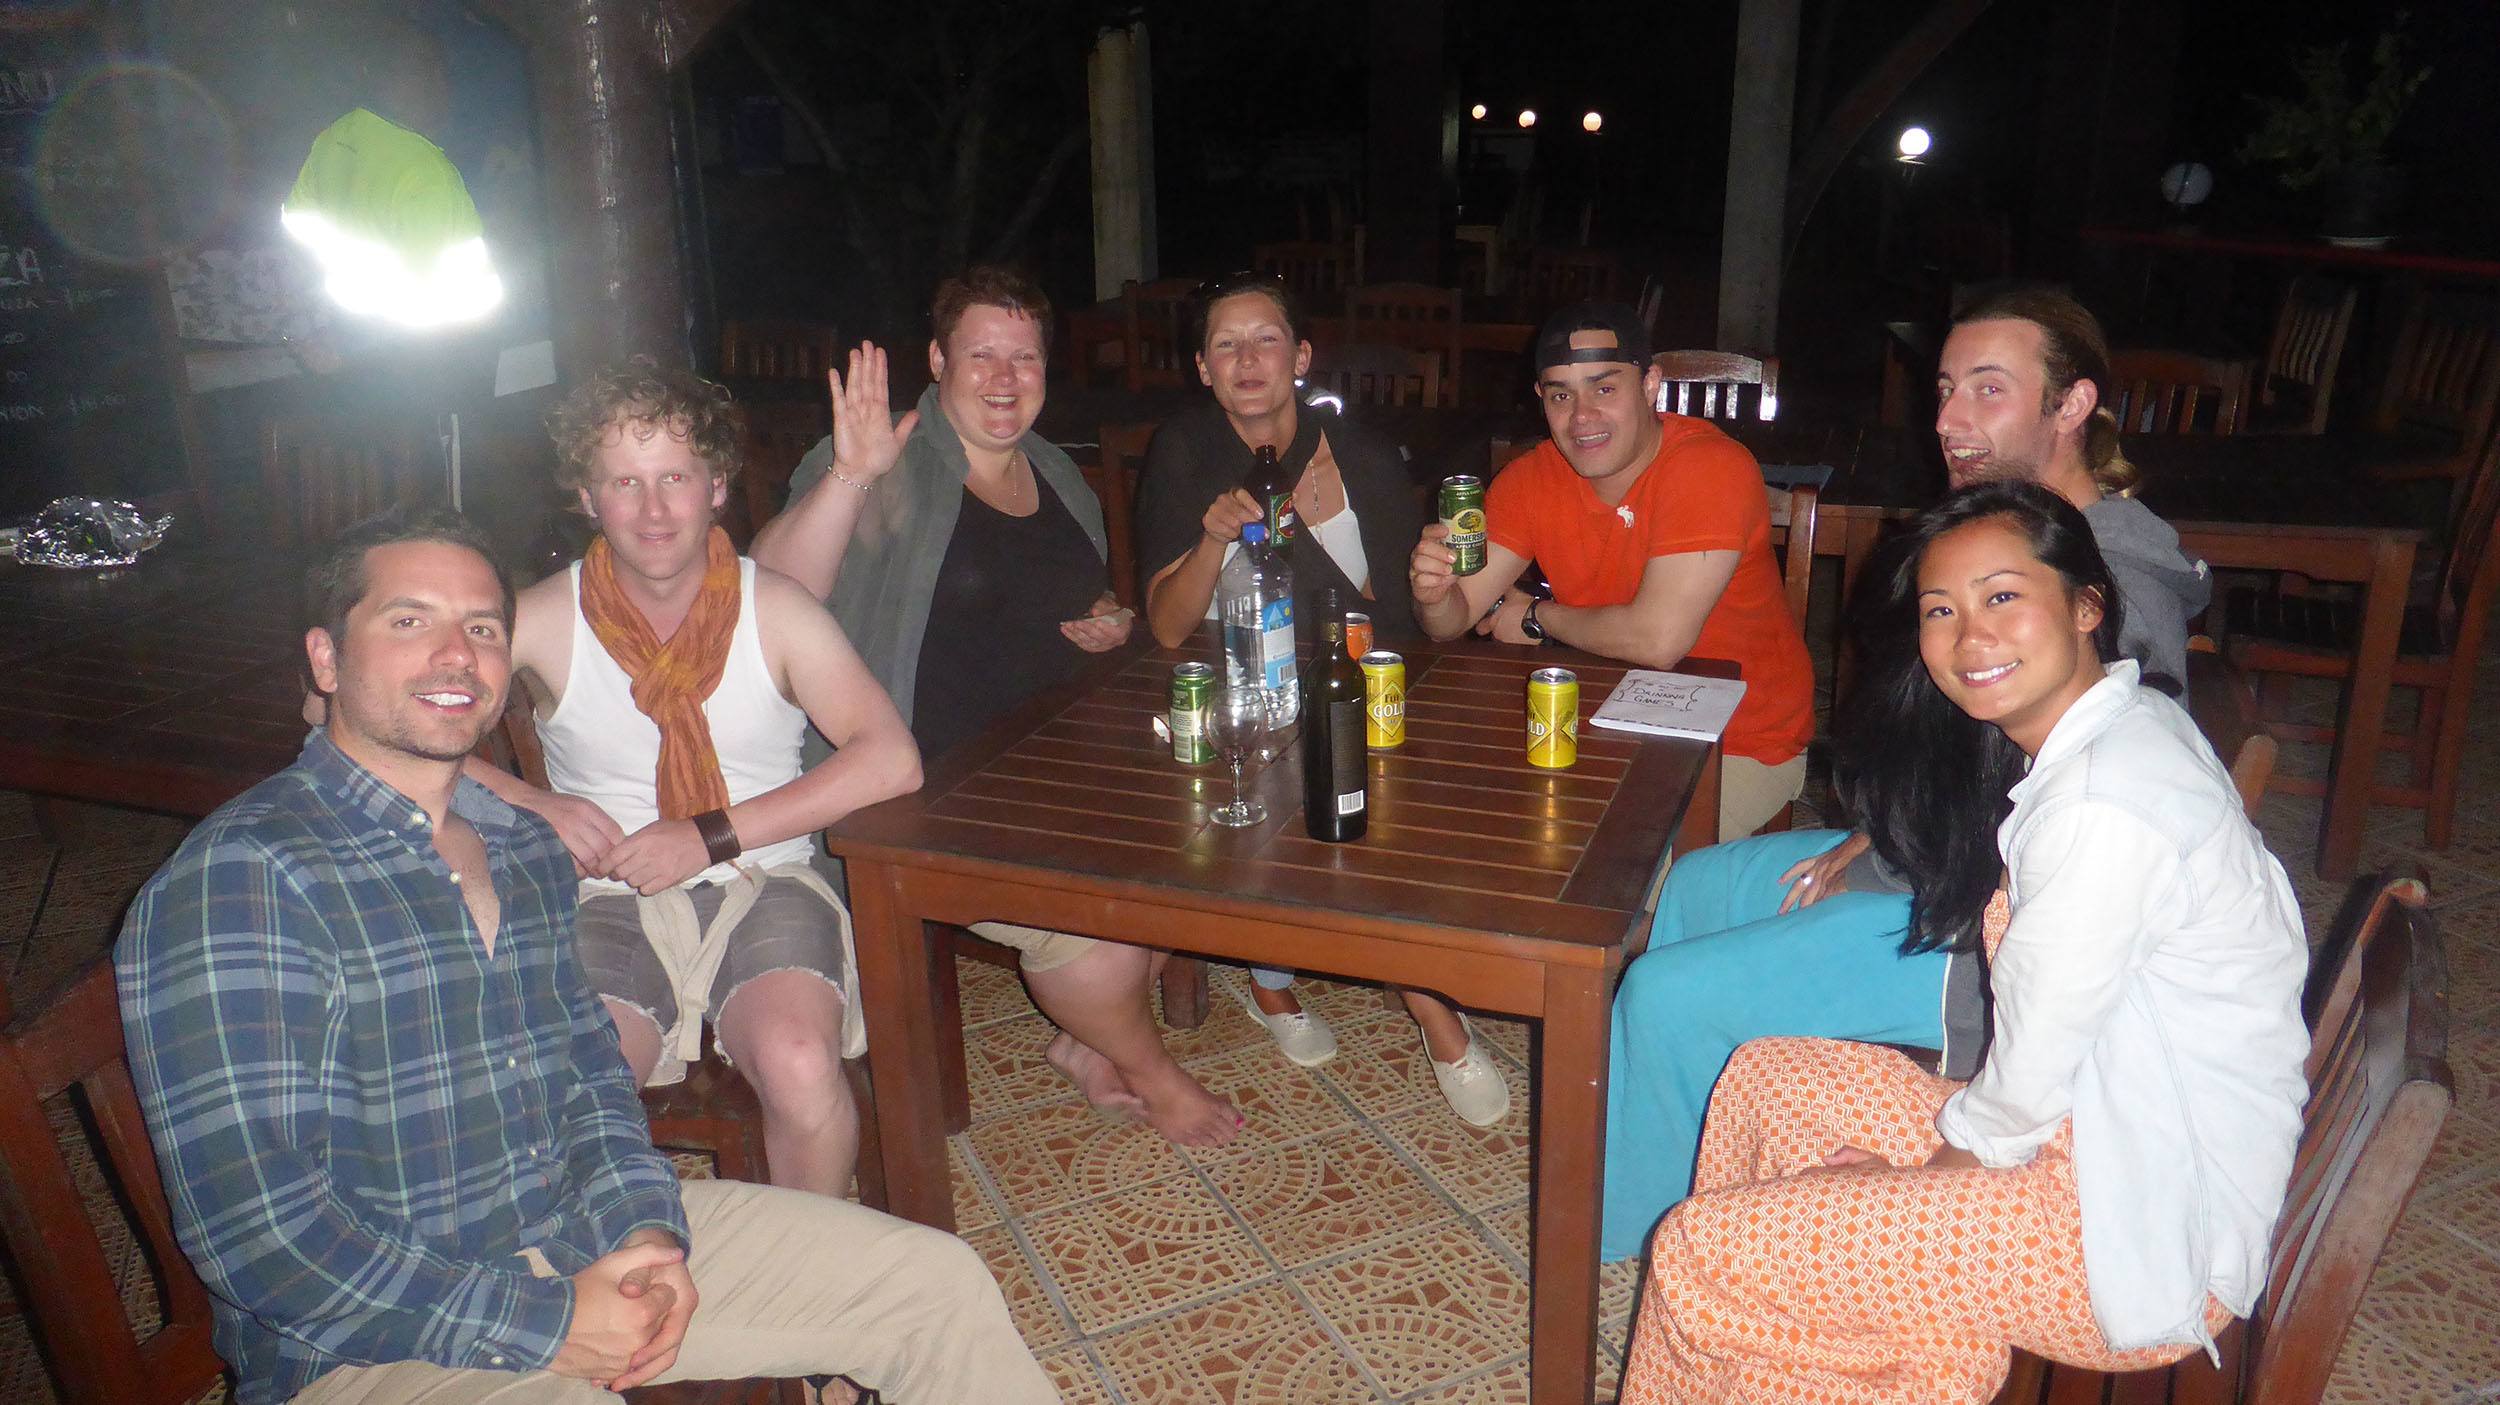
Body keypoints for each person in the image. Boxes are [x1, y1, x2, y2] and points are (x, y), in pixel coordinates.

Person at [116, 510, 1056, 1405]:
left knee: (932, 1283)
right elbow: (263, 1239)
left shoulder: (520, 849)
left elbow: (588, 1079)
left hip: (570, 1243)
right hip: (365, 1343)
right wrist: (549, 1321)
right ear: (326, 656)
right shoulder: (246, 878)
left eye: (482, 626)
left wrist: (643, 1228)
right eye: (409, 620)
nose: (456, 653)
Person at [1618, 481, 2306, 1404]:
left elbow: (2022, 1091)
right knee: (1765, 1079)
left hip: (2124, 1227)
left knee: (1698, 1252)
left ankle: (1797, 1330)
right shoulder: (2104, 733)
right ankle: (1839, 1367)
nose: (1969, 634)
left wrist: (1917, 1180)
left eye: (2003, 596)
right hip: (2091, 1133)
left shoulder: (2104, 806)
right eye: (1942, 609)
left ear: (2087, 605)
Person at [1597, 285, 2214, 1260]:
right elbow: (1969, 759)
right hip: (1936, 859)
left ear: (2071, 405)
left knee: (1665, 995)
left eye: (1986, 389)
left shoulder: (2112, 588)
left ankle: (1644, 1244)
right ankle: (1709, 1182)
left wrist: (1904, 849)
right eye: (1943, 388)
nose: (1947, 419)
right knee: (1701, 888)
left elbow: (2087, 845)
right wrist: (1873, 831)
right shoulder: (2001, 531)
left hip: (1992, 939)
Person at [753, 264, 1244, 1147]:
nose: (1006, 377)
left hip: (1047, 757)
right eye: (982, 355)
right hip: (925, 783)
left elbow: (1069, 603)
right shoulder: (885, 463)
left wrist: (1105, 620)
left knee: (1210, 836)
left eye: (1025, 357)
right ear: (938, 360)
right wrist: (851, 477)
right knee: (1091, 934)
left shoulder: (1056, 469)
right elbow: (775, 586)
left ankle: (1081, 1040)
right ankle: (1153, 1072)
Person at [448, 359, 919, 1203]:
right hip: (606, 893)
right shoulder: (543, 615)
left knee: (803, 1065)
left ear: (717, 487)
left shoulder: (775, 604)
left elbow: (889, 756)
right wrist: (535, 801)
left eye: (675, 476)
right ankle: (615, 1280)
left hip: (763, 876)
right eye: (624, 482)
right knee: (575, 1088)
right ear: (588, 498)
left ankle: (808, 1277)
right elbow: (383, 730)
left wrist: (706, 834)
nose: (655, 508)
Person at [1131, 272, 1510, 1125]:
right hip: (1240, 680)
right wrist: (1210, 536)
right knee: (1272, 780)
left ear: (1300, 356)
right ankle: (1340, 998)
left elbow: (1415, 623)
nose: (1247, 359)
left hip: (1358, 681)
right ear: (1202, 366)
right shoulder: (1185, 451)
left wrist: (1379, 555)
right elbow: (1163, 626)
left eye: (1265, 339)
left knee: (1367, 803)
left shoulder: (1363, 456)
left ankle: (1411, 992)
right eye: (1225, 345)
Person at [1407, 299, 1816, 841]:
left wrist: (1537, 618)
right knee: (1464, 826)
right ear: (1541, 401)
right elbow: (1450, 622)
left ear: (1650, 386)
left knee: (1615, 877)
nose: (1582, 417)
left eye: (1605, 388)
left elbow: (1656, 641)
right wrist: (1434, 592)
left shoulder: (1708, 468)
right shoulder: (1530, 480)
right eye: (1561, 395)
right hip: (1604, 715)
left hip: (1740, 740)